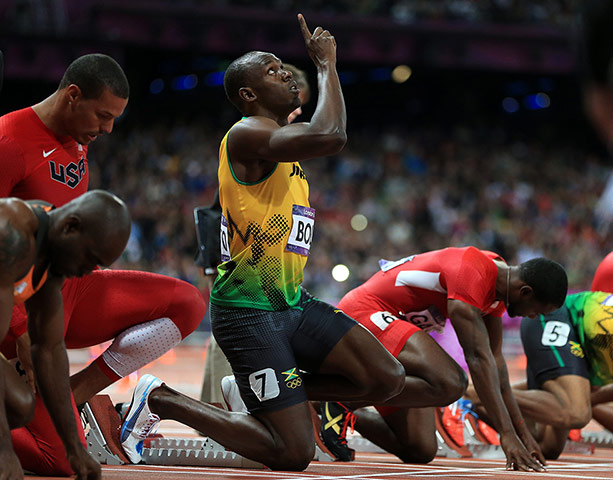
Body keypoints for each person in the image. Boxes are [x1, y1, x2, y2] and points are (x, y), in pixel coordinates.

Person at [119, 14, 407, 470]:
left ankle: (265, 391)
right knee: (293, 454)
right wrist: (327, 65)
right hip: (247, 313)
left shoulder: (281, 143)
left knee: (386, 378)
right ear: (249, 95)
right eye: (272, 70)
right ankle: (160, 399)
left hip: (292, 303)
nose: (286, 72)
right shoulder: (247, 132)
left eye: (284, 67)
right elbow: (331, 135)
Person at [0, 53, 207, 476]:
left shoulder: (79, 136)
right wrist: (19, 328)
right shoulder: (8, 141)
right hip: (9, 298)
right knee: (54, 456)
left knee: (186, 303)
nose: (108, 129)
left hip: (58, 281)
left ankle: (76, 396)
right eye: (102, 115)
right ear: (73, 96)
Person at [322, 248, 567, 471]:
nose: (533, 317)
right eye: (537, 311)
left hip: (395, 326)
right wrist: (506, 434)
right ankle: (340, 398)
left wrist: (523, 434)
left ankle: (335, 407)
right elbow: (478, 359)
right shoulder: (473, 272)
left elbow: (496, 365)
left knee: (420, 449)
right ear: (525, 292)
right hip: (366, 311)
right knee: (450, 382)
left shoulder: (500, 288)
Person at [199, 62, 312, 408]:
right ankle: (217, 413)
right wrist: (211, 262)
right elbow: (219, 208)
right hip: (240, 264)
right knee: (233, 335)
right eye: (293, 107)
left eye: (300, 109)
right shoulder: (252, 135)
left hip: (276, 268)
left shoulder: (282, 145)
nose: (295, 114)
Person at [0, 190, 131, 480]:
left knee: (20, 405)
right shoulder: (11, 234)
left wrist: (74, 448)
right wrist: (3, 450)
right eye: (89, 259)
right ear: (70, 227)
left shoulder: (49, 258)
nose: (87, 272)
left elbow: (48, 350)